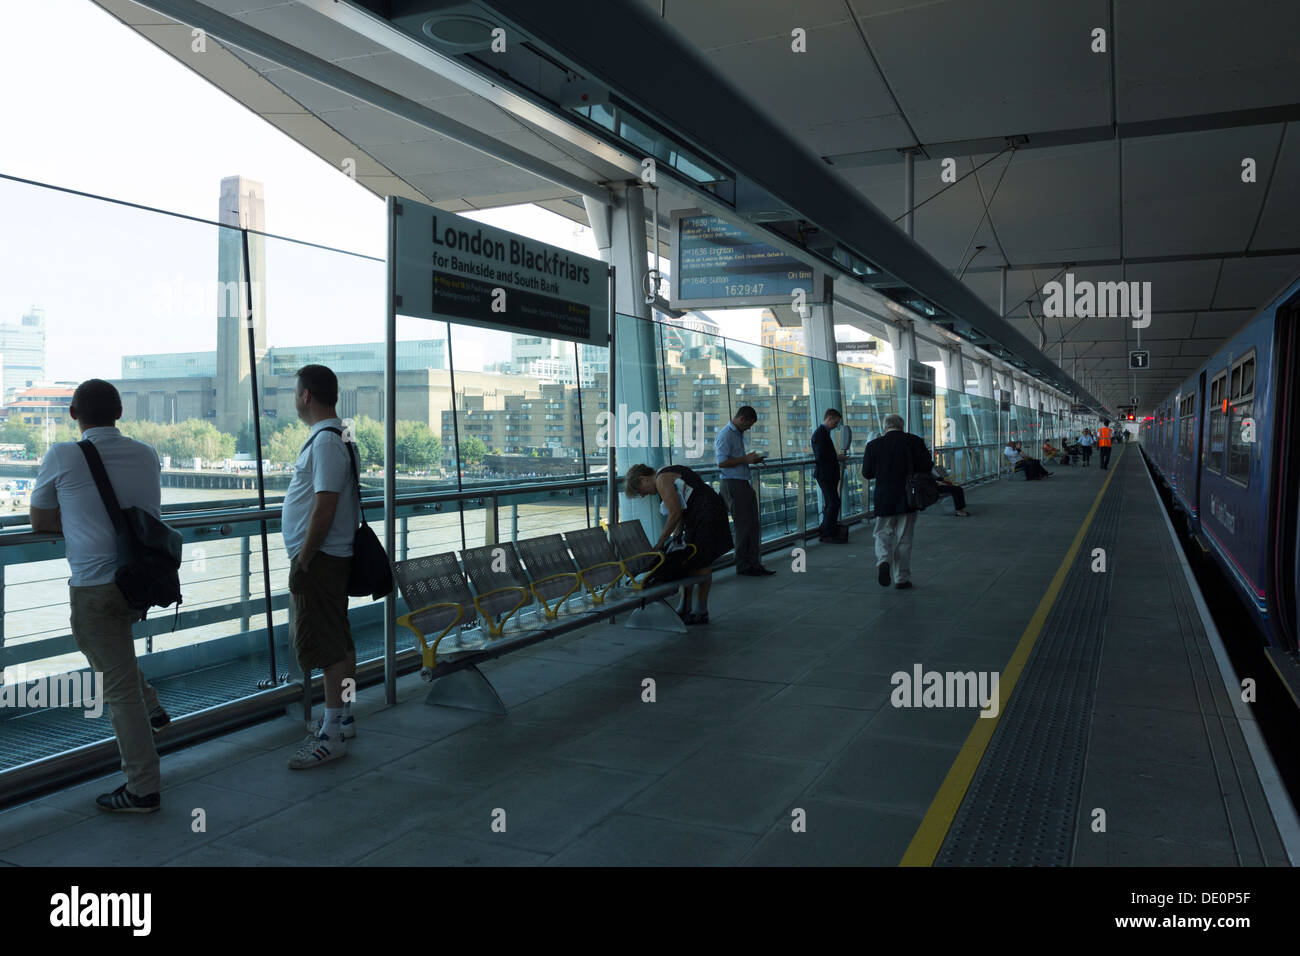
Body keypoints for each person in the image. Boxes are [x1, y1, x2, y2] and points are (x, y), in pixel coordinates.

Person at [29, 379, 171, 813]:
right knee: (118, 664)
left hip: (94, 584)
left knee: (117, 688)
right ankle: (152, 708)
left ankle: (143, 788)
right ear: (120, 413)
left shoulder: (63, 455)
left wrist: (73, 523)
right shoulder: (146, 454)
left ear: (73, 414)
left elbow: (38, 519)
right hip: (140, 581)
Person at [283, 364, 360, 769]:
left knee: (328, 648)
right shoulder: (337, 435)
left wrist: (304, 558)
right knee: (340, 642)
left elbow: (325, 505)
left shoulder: (328, 441)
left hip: (322, 560)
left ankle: (330, 736)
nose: (295, 398)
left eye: (296, 392)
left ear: (307, 396)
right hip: (331, 558)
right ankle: (342, 719)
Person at [624, 463, 733, 624]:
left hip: (705, 516)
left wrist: (659, 544)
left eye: (641, 491)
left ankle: (700, 611)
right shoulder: (668, 472)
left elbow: (675, 512)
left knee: (701, 562)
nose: (644, 495)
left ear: (643, 479)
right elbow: (681, 509)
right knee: (688, 560)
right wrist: (677, 536)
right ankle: (686, 607)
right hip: (706, 513)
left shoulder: (661, 480)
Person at [862, 414, 934, 589]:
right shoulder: (915, 441)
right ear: (902, 426)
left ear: (886, 427)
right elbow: (926, 466)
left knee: (882, 533)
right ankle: (901, 578)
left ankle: (883, 561)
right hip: (909, 497)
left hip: (884, 496)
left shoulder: (873, 445)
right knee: (904, 538)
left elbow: (867, 473)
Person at [714, 405, 774, 576]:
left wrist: (750, 460)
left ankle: (753, 563)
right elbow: (721, 462)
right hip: (733, 484)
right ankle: (744, 564)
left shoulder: (736, 434)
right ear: (742, 419)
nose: (749, 428)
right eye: (749, 424)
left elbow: (735, 460)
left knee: (752, 524)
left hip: (741, 482)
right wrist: (746, 458)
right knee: (743, 525)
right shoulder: (725, 435)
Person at [811, 408, 847, 542]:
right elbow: (821, 456)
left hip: (827, 474)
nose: (836, 426)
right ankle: (827, 533)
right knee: (833, 502)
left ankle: (827, 530)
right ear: (829, 419)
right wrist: (836, 457)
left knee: (831, 502)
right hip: (825, 474)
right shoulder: (820, 434)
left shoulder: (823, 433)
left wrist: (835, 457)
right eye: (836, 422)